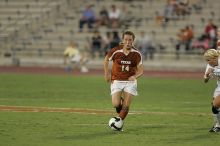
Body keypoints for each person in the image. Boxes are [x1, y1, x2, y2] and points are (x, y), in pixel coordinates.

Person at [104, 31, 144, 130]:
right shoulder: (115, 51)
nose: (128, 42)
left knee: (126, 106)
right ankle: (120, 106)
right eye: (126, 40)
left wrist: (135, 76)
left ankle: (118, 123)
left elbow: (141, 71)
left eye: (130, 40)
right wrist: (107, 73)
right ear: (123, 40)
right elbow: (106, 60)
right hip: (116, 80)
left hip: (130, 82)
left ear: (133, 41)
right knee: (116, 104)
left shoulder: (137, 54)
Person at [203, 49, 220, 132]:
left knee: (216, 103)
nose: (208, 62)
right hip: (219, 85)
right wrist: (207, 77)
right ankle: (217, 125)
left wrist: (214, 70)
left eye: (209, 60)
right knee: (214, 106)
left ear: (215, 58)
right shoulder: (209, 65)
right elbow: (205, 80)